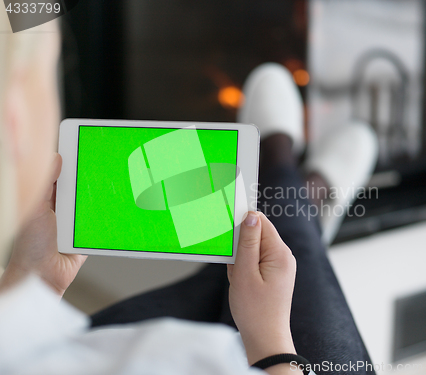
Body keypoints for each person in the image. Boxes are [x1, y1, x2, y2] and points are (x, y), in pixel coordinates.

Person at [0, 15, 377, 375]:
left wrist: (34, 281)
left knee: (236, 261)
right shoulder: (185, 358)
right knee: (273, 260)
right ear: (16, 119)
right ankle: (292, 182)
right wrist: (271, 342)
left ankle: (295, 188)